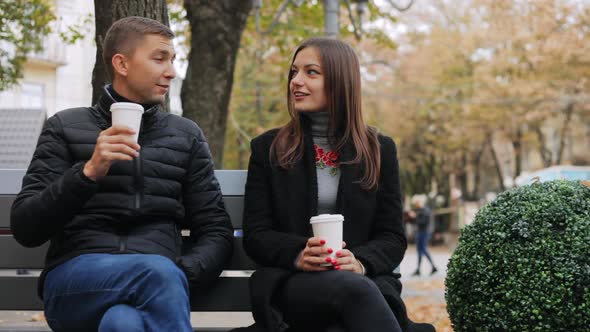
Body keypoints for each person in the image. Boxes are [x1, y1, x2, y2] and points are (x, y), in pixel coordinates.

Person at [10, 16, 233, 332]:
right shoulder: (64, 127)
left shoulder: (185, 136)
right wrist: (88, 172)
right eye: (159, 59)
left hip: (159, 279)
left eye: (172, 60)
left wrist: (183, 272)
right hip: (76, 282)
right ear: (122, 64)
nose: (170, 71)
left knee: (122, 323)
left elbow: (215, 229)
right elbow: (26, 227)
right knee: (155, 274)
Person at [241, 37, 434, 332]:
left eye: (311, 72)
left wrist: (359, 263)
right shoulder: (268, 148)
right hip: (293, 285)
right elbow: (257, 234)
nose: (296, 81)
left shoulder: (379, 149)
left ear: (340, 81)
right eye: (294, 72)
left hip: (364, 282)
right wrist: (298, 253)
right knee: (355, 294)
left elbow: (392, 236)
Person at [410, 196, 438, 276]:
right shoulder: (420, 210)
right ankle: (421, 269)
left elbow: (423, 222)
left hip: (424, 232)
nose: (416, 205)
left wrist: (415, 217)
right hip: (420, 232)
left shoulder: (425, 211)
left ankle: (431, 267)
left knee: (422, 250)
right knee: (420, 250)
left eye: (416, 203)